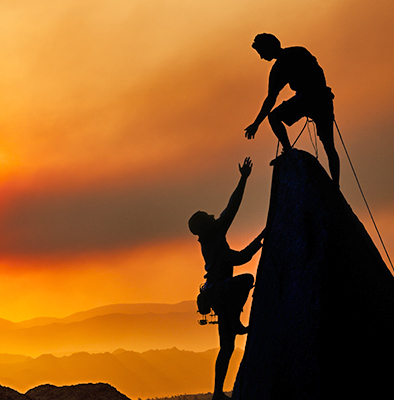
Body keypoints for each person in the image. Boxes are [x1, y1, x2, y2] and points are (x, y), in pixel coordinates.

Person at [188, 157, 265, 400]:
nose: (213, 215)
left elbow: (238, 255)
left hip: (216, 294)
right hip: (222, 292)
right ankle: (235, 320)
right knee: (246, 279)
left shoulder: (209, 242)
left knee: (227, 347)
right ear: (206, 224)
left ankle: (218, 393)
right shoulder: (216, 236)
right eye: (207, 216)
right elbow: (233, 209)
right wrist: (243, 178)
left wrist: (260, 240)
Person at [244, 33, 340, 188]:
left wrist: (256, 124)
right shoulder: (280, 68)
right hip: (309, 99)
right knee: (275, 117)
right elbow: (270, 99)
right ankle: (288, 151)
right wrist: (256, 123)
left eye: (261, 52)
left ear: (269, 47)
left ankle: (335, 185)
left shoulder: (296, 54)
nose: (261, 57)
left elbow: (318, 72)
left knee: (329, 144)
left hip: (318, 99)